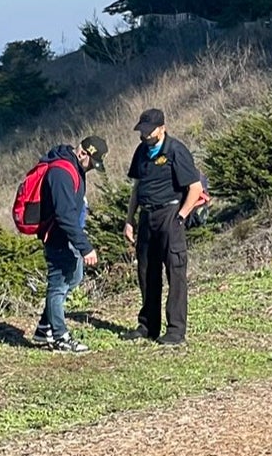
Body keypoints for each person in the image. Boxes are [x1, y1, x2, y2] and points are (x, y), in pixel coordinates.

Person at [124, 109, 205, 347]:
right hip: (147, 216)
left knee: (175, 273)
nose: (145, 134)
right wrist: (130, 219)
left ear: (162, 128)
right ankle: (147, 325)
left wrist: (181, 216)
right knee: (147, 272)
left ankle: (175, 330)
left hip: (170, 214)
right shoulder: (141, 152)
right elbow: (136, 187)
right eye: (142, 130)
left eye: (149, 130)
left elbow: (195, 188)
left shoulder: (176, 151)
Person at [31, 136, 106, 353]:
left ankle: (45, 327)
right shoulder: (61, 172)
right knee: (59, 285)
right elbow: (64, 215)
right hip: (59, 238)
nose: (92, 168)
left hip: (69, 237)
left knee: (74, 277)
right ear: (83, 153)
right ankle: (60, 336)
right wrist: (85, 247)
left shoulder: (74, 168)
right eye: (92, 163)